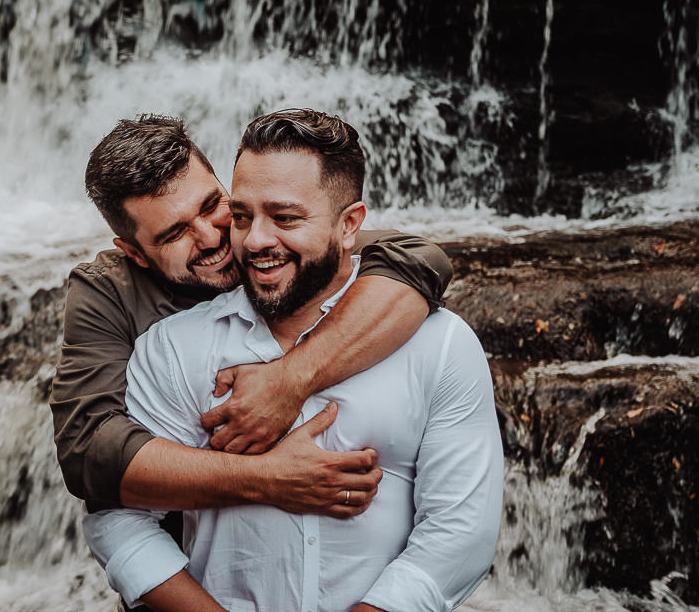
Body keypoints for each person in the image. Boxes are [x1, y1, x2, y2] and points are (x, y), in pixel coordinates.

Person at [83, 109, 503, 612]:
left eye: (284, 218)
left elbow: (462, 532)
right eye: (243, 216)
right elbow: (117, 514)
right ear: (135, 251)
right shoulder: (169, 346)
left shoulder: (439, 343)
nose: (249, 240)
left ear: (349, 225)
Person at [50, 115, 454, 523]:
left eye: (213, 206)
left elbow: (420, 260)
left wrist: (289, 381)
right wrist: (267, 478)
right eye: (175, 234)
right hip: (176, 553)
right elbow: (88, 452)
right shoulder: (108, 291)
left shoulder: (267, 241)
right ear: (135, 253)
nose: (212, 238)